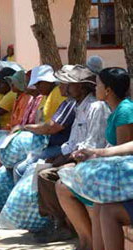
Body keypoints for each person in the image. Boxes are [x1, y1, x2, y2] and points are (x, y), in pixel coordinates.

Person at [56, 67, 133, 250]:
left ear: (108, 90)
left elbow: (124, 156)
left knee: (67, 186)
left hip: (125, 178)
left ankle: (86, 243)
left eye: (97, 84)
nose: (95, 88)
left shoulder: (124, 111)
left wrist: (95, 155)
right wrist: (95, 153)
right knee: (100, 204)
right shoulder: (115, 109)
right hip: (120, 172)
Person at [36, 65, 111, 244]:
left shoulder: (96, 107)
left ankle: (65, 227)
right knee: (43, 171)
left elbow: (93, 143)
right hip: (77, 155)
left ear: (82, 87)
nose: (65, 87)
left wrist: (65, 159)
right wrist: (60, 156)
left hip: (92, 159)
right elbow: (72, 142)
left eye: (69, 84)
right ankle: (58, 222)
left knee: (50, 175)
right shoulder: (78, 106)